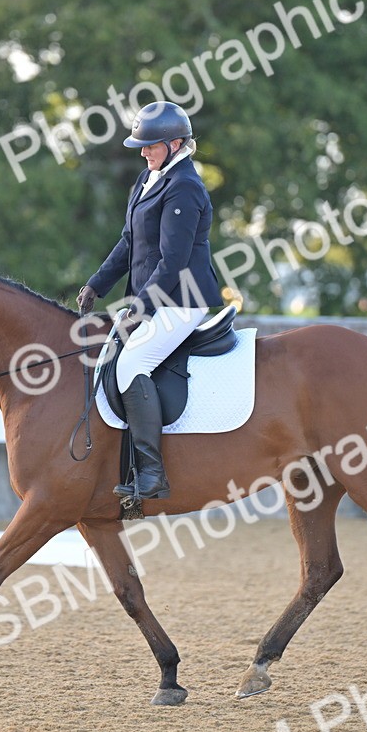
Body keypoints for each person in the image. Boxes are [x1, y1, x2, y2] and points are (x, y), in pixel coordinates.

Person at [77, 101, 221, 500]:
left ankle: (152, 474)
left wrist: (138, 310)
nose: (143, 151)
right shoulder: (147, 180)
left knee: (132, 362)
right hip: (154, 298)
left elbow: (173, 261)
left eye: (150, 145)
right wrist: (97, 284)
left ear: (176, 144)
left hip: (184, 300)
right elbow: (129, 243)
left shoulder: (185, 187)